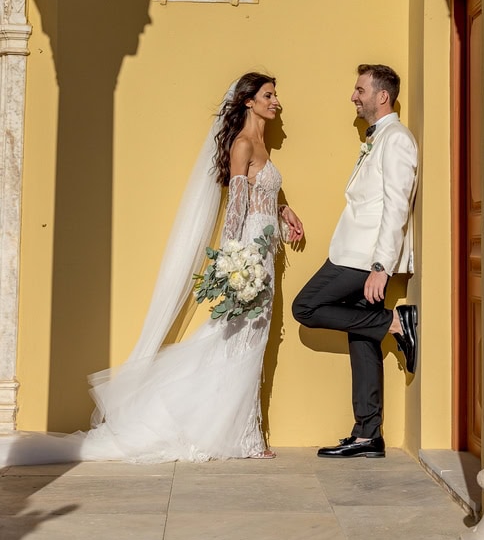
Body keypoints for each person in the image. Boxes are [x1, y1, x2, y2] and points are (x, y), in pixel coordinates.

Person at [0, 73, 303, 465]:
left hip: (262, 256)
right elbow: (236, 213)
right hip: (248, 260)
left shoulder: (261, 143)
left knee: (250, 342)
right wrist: (233, 263)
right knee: (238, 343)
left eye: (275, 95)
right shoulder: (244, 144)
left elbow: (261, 197)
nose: (276, 101)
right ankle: (239, 436)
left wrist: (283, 211)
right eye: (269, 95)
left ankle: (243, 434)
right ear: (249, 101)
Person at [292, 64, 418, 459]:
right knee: (361, 338)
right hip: (360, 252)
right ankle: (368, 434)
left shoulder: (396, 139)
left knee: (306, 306)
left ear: (382, 96)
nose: (354, 96)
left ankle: (395, 322)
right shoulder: (378, 138)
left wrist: (381, 266)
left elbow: (397, 205)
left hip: (364, 256)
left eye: (360, 89)